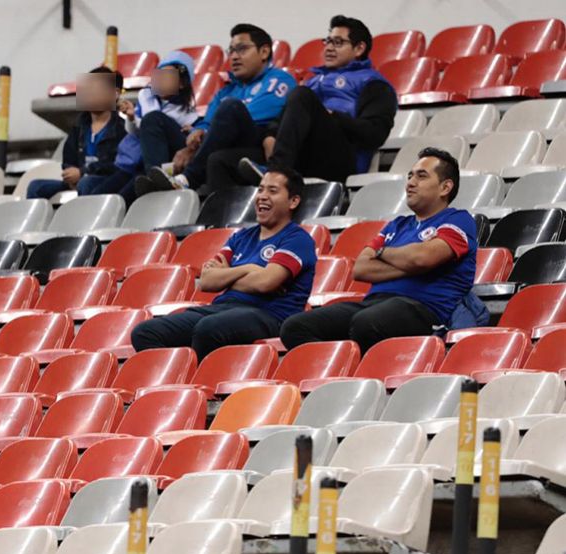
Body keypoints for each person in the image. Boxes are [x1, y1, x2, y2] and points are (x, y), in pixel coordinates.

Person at [279, 147, 477, 353]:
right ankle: (339, 368)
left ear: (445, 187)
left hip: (423, 310)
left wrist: (383, 253)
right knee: (294, 327)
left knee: (367, 323)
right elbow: (361, 269)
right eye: (409, 176)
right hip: (374, 304)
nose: (410, 182)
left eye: (421, 176)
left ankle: (359, 374)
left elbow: (422, 258)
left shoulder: (459, 219)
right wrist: (412, 265)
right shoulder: (397, 224)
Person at [130, 165, 316, 359]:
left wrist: (227, 275)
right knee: (145, 332)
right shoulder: (241, 237)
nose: (262, 196)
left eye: (272, 191)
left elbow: (264, 283)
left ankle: (198, 383)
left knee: (209, 328)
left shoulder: (297, 239)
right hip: (222, 308)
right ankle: (174, 379)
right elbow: (207, 282)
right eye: (260, 189)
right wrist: (250, 268)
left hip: (269, 314)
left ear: (293, 201)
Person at [132, 23, 296, 197]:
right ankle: (159, 184)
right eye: (231, 51)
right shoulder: (226, 91)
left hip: (253, 144)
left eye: (241, 49)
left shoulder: (280, 80)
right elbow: (207, 122)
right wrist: (198, 131)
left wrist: (203, 135)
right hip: (214, 144)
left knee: (231, 108)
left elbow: (253, 116)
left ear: (264, 52)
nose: (233, 57)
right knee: (154, 119)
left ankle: (188, 179)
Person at [238, 15, 397, 185]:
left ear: (359, 48)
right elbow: (283, 118)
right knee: (221, 160)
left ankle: (275, 173)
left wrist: (334, 117)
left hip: (342, 160)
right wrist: (269, 136)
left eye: (337, 42)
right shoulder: (314, 81)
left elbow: (375, 133)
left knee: (301, 94)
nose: (328, 48)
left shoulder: (374, 84)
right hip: (306, 155)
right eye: (327, 41)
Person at [85, 51, 202, 203]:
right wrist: (132, 117)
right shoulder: (146, 98)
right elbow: (136, 132)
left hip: (158, 164)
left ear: (181, 84)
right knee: (98, 196)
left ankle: (157, 178)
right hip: (133, 163)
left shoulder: (187, 114)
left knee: (123, 199)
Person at [27, 66, 127, 199]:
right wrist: (71, 176)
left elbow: (117, 165)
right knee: (36, 187)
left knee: (86, 183)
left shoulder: (122, 127)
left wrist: (83, 172)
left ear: (115, 94)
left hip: (105, 181)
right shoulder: (79, 126)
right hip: (78, 181)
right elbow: (68, 159)